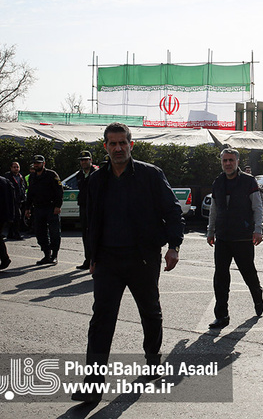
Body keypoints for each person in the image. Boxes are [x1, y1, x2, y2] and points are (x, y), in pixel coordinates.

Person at [71, 122, 184, 403]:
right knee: (101, 321)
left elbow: (172, 211)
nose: (118, 148)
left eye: (123, 143)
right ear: (105, 147)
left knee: (150, 311)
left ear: (131, 144)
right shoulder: (97, 180)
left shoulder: (150, 175)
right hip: (108, 260)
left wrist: (174, 246)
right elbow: (92, 223)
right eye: (113, 144)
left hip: (143, 258)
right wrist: (93, 258)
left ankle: (152, 358)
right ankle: (92, 385)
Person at [207, 148, 263, 328]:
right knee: (220, 278)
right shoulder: (218, 182)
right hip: (223, 237)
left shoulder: (248, 181)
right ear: (221, 162)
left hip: (243, 237)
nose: (228, 164)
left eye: (231, 160)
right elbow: (214, 209)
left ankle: (257, 295)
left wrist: (258, 229)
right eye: (225, 161)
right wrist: (210, 231)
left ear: (237, 162)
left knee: (248, 273)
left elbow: (258, 207)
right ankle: (222, 315)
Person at [25, 155, 63, 265]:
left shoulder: (51, 175)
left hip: (51, 208)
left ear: (44, 163)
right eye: (35, 163)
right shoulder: (32, 177)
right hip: (38, 208)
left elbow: (59, 191)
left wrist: (58, 206)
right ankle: (46, 254)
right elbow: (30, 194)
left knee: (54, 232)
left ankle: (54, 255)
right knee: (40, 232)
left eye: (38, 163)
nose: (36, 165)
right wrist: (27, 208)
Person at [75, 151, 98, 270]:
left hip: (95, 208)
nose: (84, 162)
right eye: (82, 160)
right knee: (85, 234)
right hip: (84, 207)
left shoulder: (97, 173)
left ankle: (96, 260)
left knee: (96, 234)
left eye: (86, 160)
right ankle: (87, 260)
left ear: (91, 160)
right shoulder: (79, 174)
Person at [3, 161, 26, 240]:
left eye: (17, 167)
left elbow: (22, 187)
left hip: (19, 199)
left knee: (16, 217)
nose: (16, 169)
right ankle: (16, 233)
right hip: (11, 200)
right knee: (16, 216)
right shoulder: (8, 176)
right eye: (14, 167)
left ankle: (10, 233)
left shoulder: (20, 176)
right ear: (11, 168)